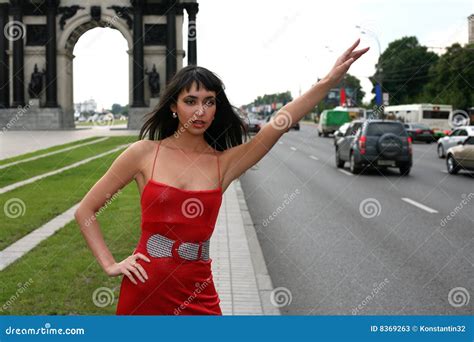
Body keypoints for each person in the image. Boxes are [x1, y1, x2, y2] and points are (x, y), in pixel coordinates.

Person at [74, 39, 369, 315]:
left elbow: (280, 123)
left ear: (217, 108)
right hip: (145, 289)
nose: (200, 110)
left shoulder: (224, 164)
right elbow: (85, 211)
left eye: (209, 101)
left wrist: (328, 82)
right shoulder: (143, 153)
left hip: (197, 293)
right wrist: (110, 264)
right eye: (191, 100)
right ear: (174, 107)